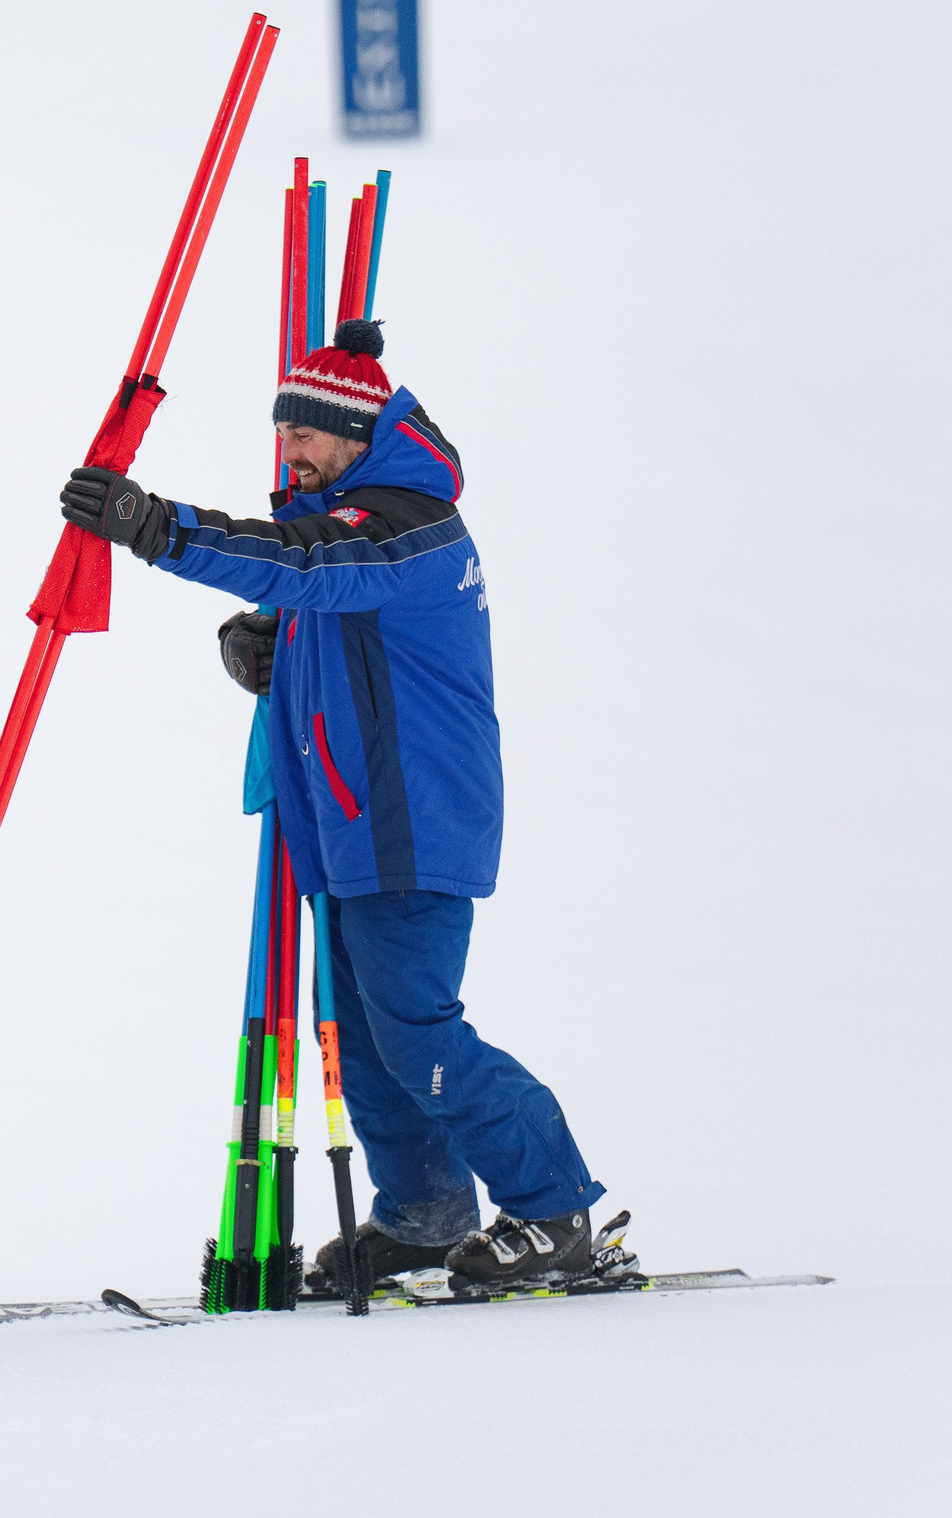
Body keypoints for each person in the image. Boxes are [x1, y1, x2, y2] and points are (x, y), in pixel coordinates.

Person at [56, 320, 605, 1286]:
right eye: (286, 433)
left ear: (357, 435)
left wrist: (156, 526)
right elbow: (319, 602)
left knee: (420, 1034)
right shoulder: (361, 520)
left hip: (412, 823)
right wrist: (265, 647)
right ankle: (427, 1213)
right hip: (354, 828)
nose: (292, 451)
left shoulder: (410, 525)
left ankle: (553, 1206)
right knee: (361, 1034)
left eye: (307, 434)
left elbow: (303, 561)